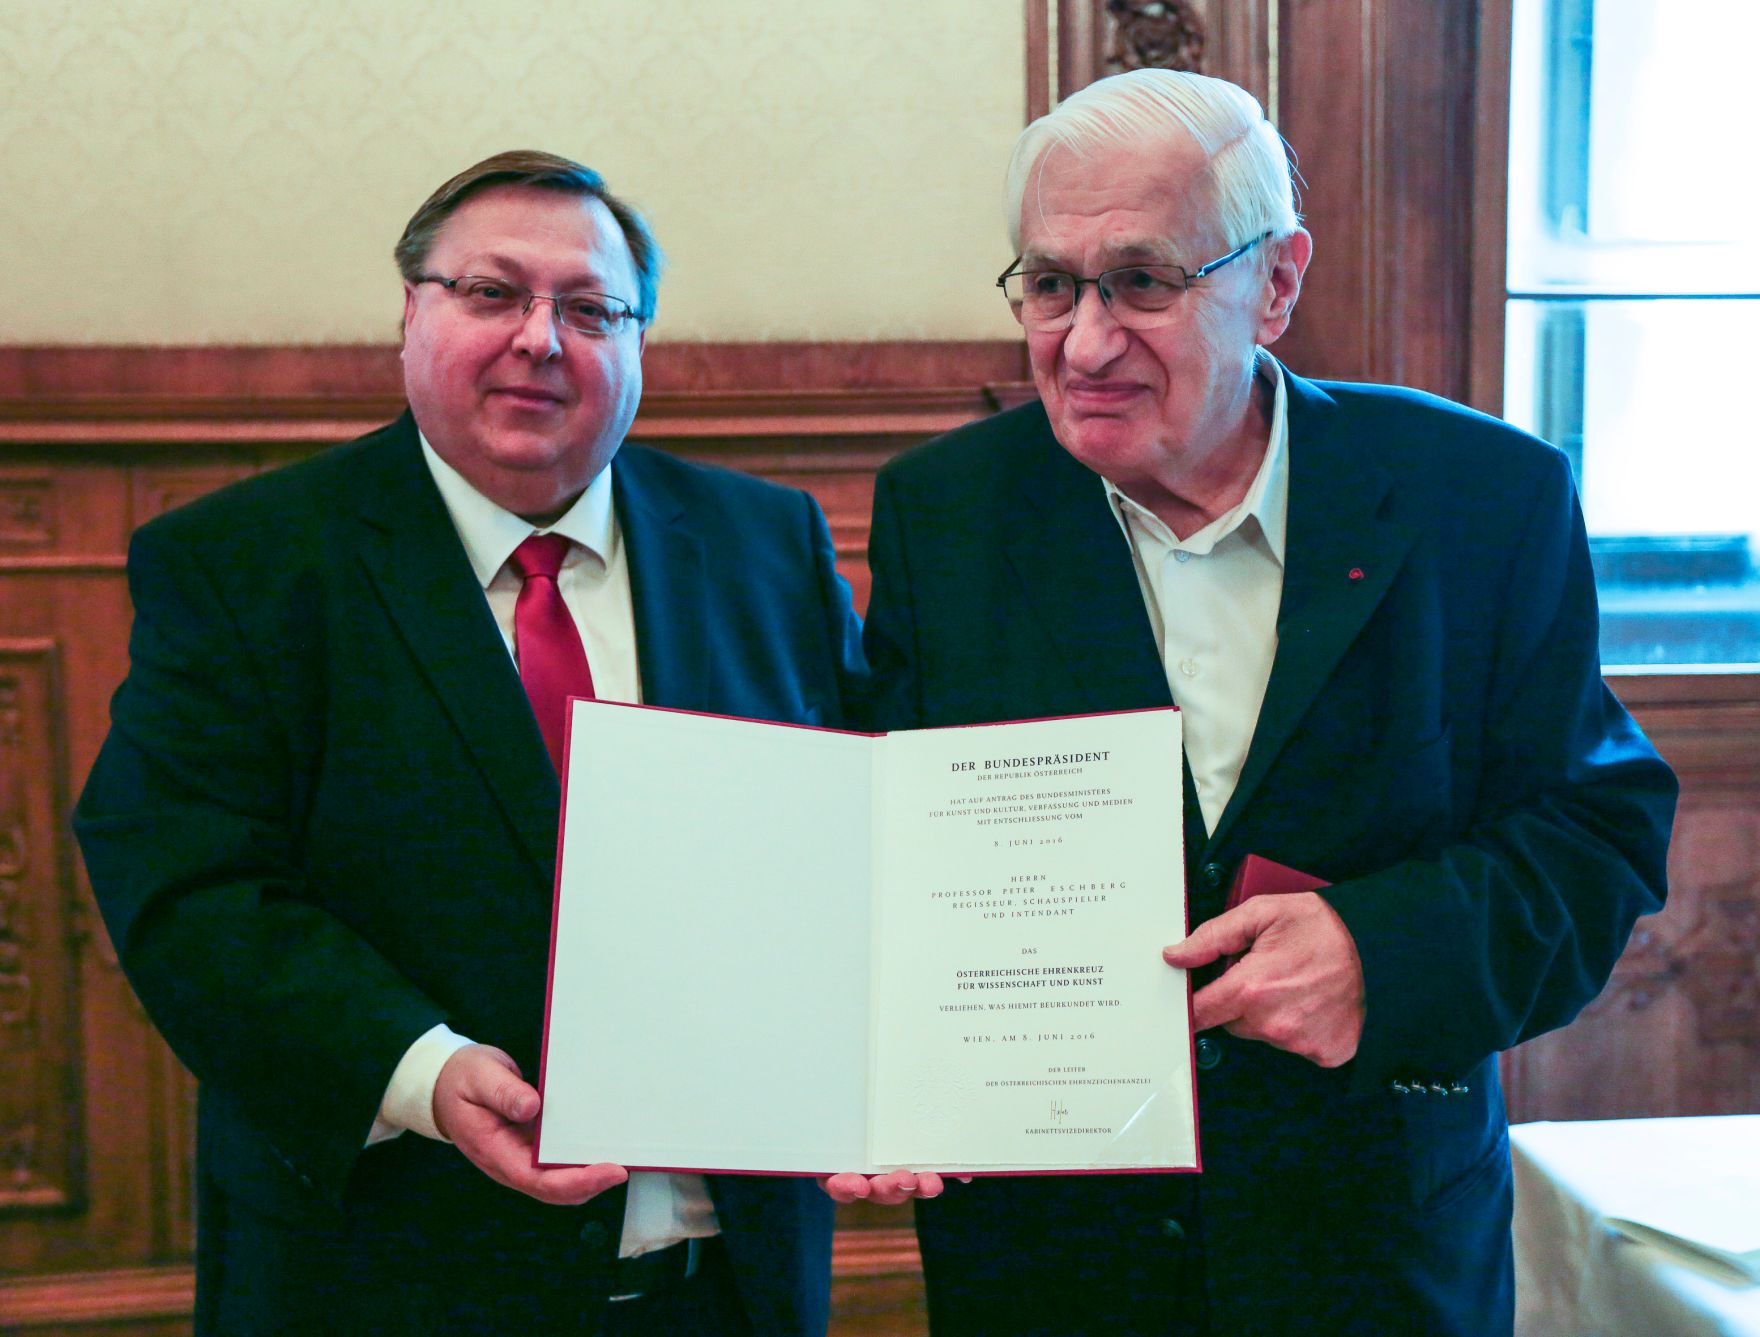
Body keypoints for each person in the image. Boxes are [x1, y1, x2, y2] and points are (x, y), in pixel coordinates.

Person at [827, 70, 1676, 1335]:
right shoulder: (947, 513)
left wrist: (1376, 954)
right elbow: (880, 842)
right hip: (1050, 1258)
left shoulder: (1478, 498)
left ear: (1274, 284)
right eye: (1049, 283)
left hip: (1368, 1244)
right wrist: (863, 1076)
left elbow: (1592, 839)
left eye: (1142, 281)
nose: (1083, 339)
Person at [74, 150, 860, 1336]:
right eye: (492, 293)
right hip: (388, 1274)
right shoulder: (242, 566)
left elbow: (864, 835)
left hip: (730, 1281)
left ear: (638, 341)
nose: (541, 338)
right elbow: (187, 889)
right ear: (408, 313)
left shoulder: (764, 544)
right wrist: (421, 1070)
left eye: (590, 308)